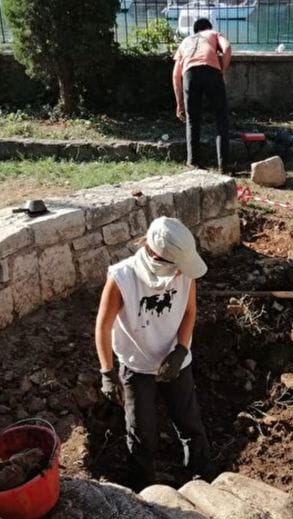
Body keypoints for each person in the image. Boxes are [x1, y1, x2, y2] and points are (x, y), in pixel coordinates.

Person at [95, 217, 213, 489]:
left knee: (189, 423)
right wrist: (107, 372)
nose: (181, 273)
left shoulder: (185, 272)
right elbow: (103, 326)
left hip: (176, 362)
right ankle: (143, 487)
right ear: (157, 257)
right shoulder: (122, 278)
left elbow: (189, 311)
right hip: (137, 366)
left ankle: (202, 479)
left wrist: (181, 350)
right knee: (141, 432)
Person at [172, 18, 232, 173]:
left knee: (192, 120)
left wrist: (180, 104)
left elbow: (175, 75)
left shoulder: (185, 41)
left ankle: (193, 163)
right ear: (208, 28)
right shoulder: (213, 33)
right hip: (211, 71)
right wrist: (221, 71)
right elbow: (227, 48)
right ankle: (223, 165)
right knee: (221, 118)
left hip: (189, 74)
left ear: (195, 30)